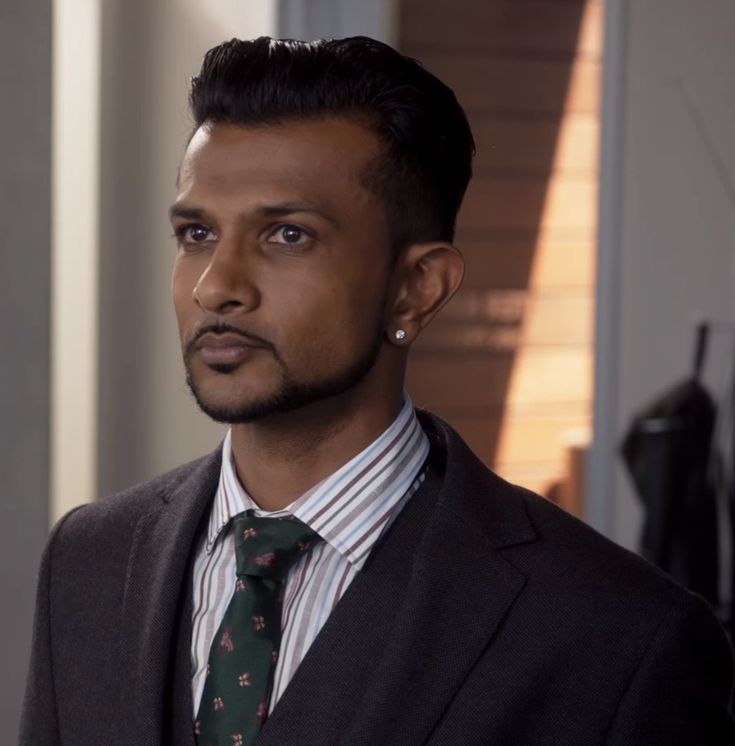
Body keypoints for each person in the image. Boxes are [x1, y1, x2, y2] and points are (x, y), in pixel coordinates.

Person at [20, 36, 735, 746]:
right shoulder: (88, 560)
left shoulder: (616, 638)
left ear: (415, 289)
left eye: (287, 235)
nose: (216, 287)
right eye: (198, 232)